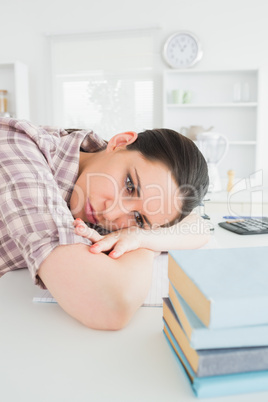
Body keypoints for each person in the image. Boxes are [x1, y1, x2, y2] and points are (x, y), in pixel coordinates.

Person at [0, 117, 209, 330]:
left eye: (138, 218)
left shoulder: (100, 175)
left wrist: (138, 237)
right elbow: (111, 306)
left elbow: (199, 226)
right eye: (129, 186)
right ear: (119, 142)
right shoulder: (15, 145)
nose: (111, 213)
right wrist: (145, 246)